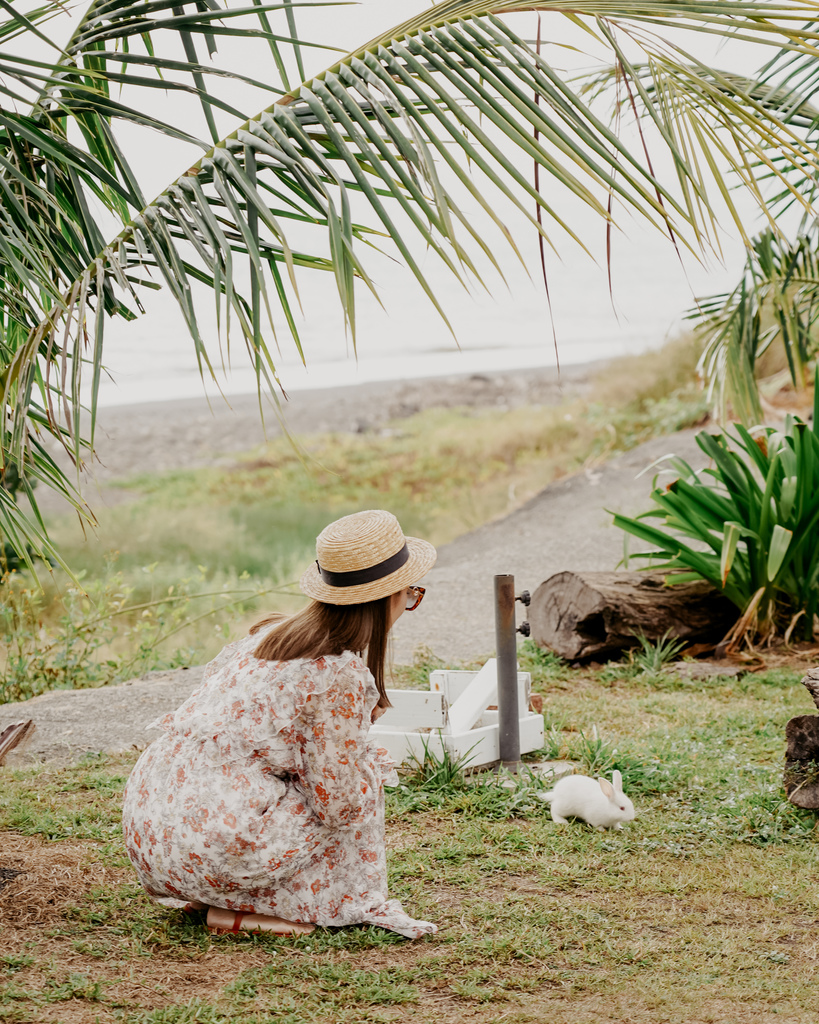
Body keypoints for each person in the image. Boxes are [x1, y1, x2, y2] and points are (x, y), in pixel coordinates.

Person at [122, 510, 437, 939]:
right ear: (388, 599)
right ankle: (271, 910)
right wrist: (361, 757)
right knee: (358, 783)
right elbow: (339, 806)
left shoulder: (268, 635)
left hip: (155, 833)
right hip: (216, 846)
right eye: (411, 595)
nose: (409, 606)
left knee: (333, 777)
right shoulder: (336, 672)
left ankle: (218, 896)